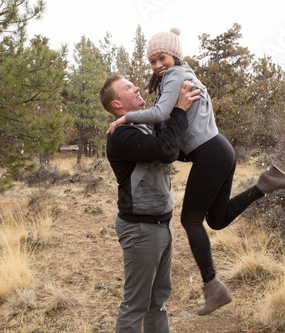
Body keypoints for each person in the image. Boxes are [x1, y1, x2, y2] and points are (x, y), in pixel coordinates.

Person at [107, 28, 285, 316]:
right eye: (153, 61)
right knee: (217, 219)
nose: (158, 66)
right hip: (220, 150)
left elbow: (160, 114)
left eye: (162, 58)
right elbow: (167, 137)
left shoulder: (175, 76)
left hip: (211, 153)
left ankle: (213, 288)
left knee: (191, 220)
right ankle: (264, 184)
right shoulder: (182, 72)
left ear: (174, 55)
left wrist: (125, 117)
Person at [99, 73, 200, 333]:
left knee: (158, 301)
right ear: (117, 106)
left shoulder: (144, 126)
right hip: (141, 229)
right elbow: (166, 151)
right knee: (136, 304)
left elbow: (174, 145)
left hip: (161, 225)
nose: (135, 87)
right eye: (127, 88)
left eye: (133, 84)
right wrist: (178, 109)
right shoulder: (121, 134)